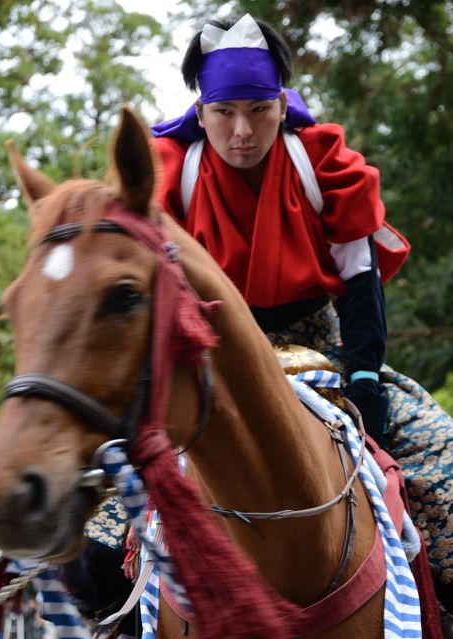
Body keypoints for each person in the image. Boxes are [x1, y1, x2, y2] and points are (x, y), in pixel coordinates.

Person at [149, 13, 453, 593]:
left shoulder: (323, 166)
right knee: (100, 515)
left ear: (283, 104)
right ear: (201, 109)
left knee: (444, 474)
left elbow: (363, 285)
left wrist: (364, 376)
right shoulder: (172, 175)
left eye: (259, 109)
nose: (242, 130)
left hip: (325, 354)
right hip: (211, 366)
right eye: (224, 112)